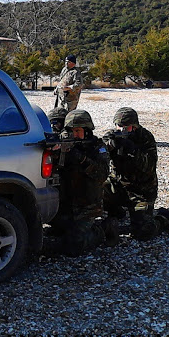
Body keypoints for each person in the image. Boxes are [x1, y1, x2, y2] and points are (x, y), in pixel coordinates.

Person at [103, 108, 169, 241]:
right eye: (119, 126)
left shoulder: (145, 138)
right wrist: (109, 146)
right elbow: (100, 158)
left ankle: (164, 218)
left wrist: (133, 151)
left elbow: (149, 167)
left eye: (126, 128)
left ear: (134, 126)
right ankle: (115, 210)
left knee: (143, 231)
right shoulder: (112, 135)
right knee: (95, 193)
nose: (122, 130)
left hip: (141, 191)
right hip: (118, 185)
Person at [50, 109, 112, 256]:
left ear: (87, 130)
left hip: (87, 207)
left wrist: (81, 159)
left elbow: (102, 174)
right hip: (67, 204)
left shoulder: (97, 147)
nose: (74, 135)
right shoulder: (65, 144)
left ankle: (103, 229)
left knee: (74, 245)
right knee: (54, 232)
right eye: (71, 131)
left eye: (77, 131)